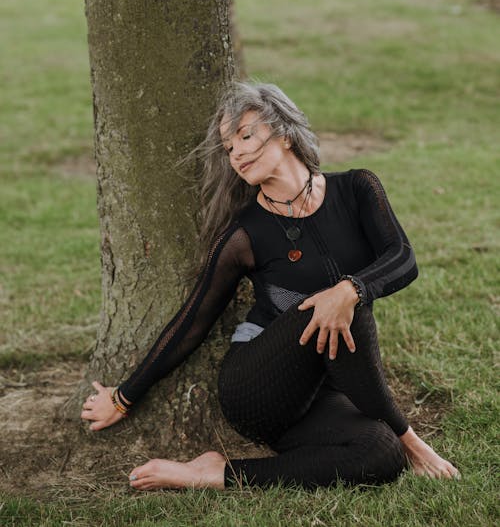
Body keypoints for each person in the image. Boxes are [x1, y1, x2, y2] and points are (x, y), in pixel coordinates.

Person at [81, 82, 459, 490]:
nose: (237, 153)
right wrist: (122, 397)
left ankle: (212, 474)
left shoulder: (357, 188)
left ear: (284, 132)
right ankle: (412, 440)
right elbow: (192, 322)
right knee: (342, 310)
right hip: (257, 387)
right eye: (228, 148)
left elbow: (403, 258)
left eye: (245, 136)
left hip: (320, 391)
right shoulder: (245, 234)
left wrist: (349, 289)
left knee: (380, 454)